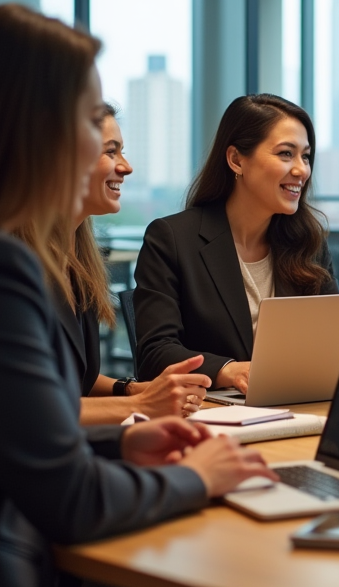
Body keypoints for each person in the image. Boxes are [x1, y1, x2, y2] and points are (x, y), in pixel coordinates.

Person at [0, 4, 273, 587]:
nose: (107, 153)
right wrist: (201, 475)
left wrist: (122, 445)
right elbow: (72, 502)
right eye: (93, 123)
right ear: (35, 131)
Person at [134, 94, 337, 393]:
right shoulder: (172, 239)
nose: (301, 170)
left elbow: (335, 341)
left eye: (305, 157)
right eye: (285, 154)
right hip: (212, 408)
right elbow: (155, 352)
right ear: (236, 160)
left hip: (299, 403)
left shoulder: (309, 243)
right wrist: (228, 370)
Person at [40, 103, 211, 424]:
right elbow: (28, 407)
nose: (127, 167)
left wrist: (132, 390)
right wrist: (143, 404)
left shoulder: (77, 263)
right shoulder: (9, 265)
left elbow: (79, 380)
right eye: (111, 151)